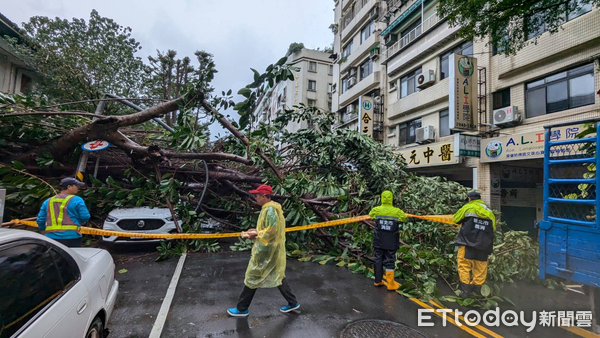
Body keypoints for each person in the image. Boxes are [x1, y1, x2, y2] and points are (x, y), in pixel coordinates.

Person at [227, 184, 299, 317]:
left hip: (266, 250)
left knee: (252, 275)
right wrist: (256, 231)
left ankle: (242, 308)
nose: (256, 198)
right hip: (271, 249)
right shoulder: (269, 208)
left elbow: (271, 231)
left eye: (257, 196)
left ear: (265, 196)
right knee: (278, 274)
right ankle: (292, 302)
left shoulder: (270, 210)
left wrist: (256, 234)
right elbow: (269, 229)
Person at [452, 191, 496, 295]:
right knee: (480, 268)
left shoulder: (468, 207)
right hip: (484, 245)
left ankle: (465, 291)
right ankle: (477, 292)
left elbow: (455, 219)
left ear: (469, 199)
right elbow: (493, 228)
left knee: (464, 266)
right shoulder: (489, 211)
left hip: (467, 243)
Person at [369, 190, 407, 291]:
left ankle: (377, 281)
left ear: (381, 198)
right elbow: (404, 218)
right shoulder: (397, 211)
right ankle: (390, 284)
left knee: (378, 259)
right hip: (391, 241)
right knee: (390, 260)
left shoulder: (376, 210)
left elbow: (371, 215)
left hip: (379, 239)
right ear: (391, 199)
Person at [36, 177, 90, 247]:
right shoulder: (77, 200)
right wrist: (81, 222)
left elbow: (40, 219)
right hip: (72, 237)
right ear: (69, 187)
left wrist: (42, 230)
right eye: (76, 186)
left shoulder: (48, 201)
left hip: (51, 237)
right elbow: (85, 216)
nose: (78, 188)